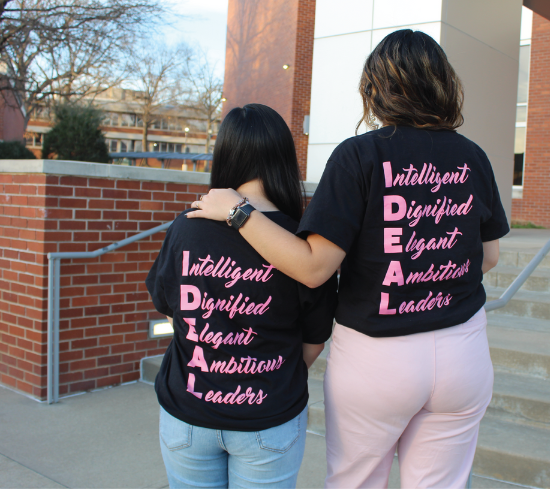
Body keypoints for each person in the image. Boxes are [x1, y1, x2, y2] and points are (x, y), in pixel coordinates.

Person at [187, 30, 509, 489]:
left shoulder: (360, 155)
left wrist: (238, 213)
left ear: (374, 89)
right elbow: (489, 256)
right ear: (441, 83)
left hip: (378, 357)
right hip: (463, 353)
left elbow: (314, 266)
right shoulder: (472, 155)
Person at [146, 103, 338, 489]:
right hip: (267, 420)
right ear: (283, 158)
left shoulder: (185, 228)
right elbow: (313, 343)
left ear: (226, 154)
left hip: (188, 414)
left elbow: (173, 313)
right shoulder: (302, 242)